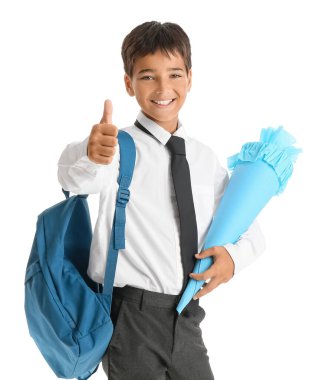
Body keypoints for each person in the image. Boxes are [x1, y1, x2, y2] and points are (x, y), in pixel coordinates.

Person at [58, 21, 265, 380]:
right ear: (129, 83)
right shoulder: (117, 148)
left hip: (186, 315)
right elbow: (74, 178)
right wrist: (90, 153)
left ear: (189, 78)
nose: (164, 88)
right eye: (148, 77)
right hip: (129, 319)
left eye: (174, 74)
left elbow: (251, 230)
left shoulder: (202, 158)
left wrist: (233, 258)